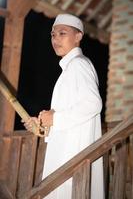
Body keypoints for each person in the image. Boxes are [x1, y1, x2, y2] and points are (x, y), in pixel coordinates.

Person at [23, 14, 105, 199]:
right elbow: (71, 115)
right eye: (53, 35)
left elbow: (93, 103)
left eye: (62, 33)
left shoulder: (78, 64)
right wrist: (45, 124)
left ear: (78, 37)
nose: (56, 39)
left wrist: (55, 118)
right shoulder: (70, 69)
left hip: (72, 154)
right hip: (66, 151)